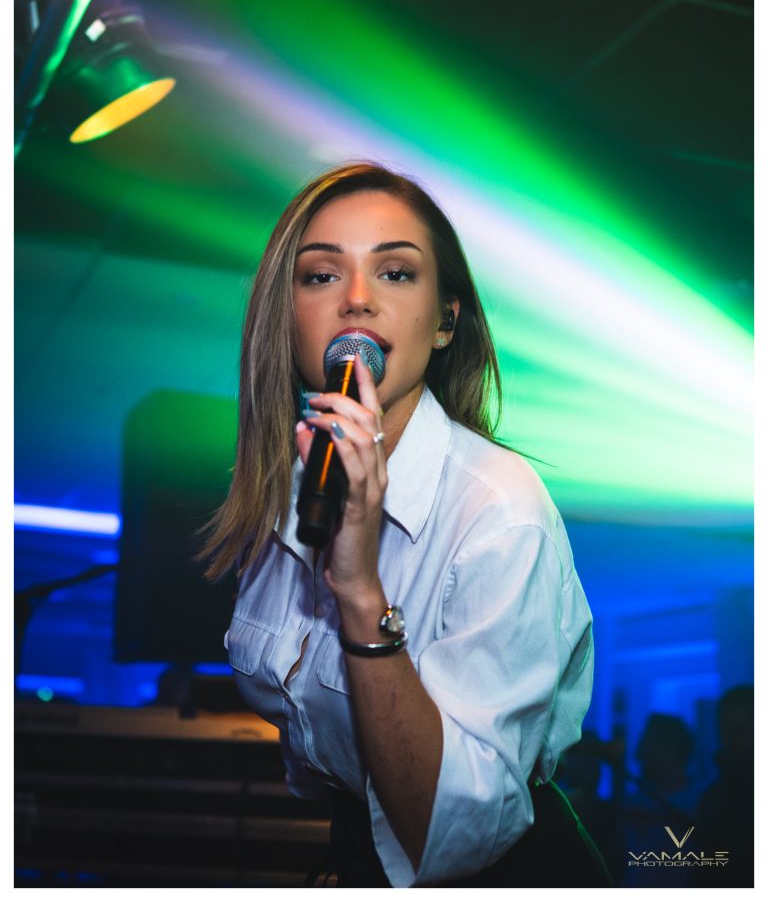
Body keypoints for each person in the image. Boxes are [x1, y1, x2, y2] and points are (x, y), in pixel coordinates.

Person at [200, 162, 599, 887]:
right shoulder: (289, 486)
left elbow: (455, 835)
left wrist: (358, 588)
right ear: (287, 318)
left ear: (445, 321)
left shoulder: (500, 511)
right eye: (321, 276)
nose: (356, 299)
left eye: (395, 273)